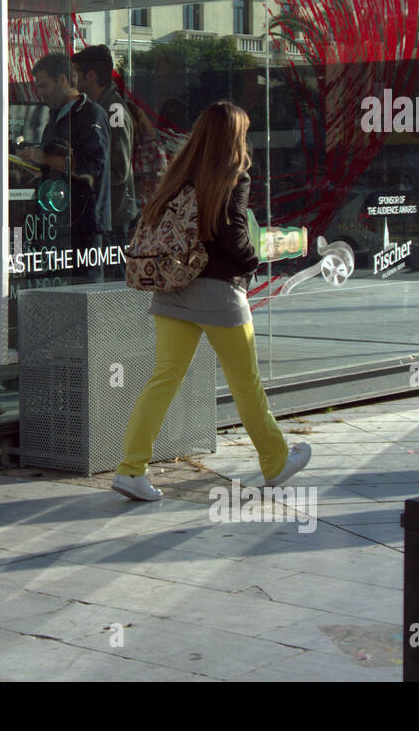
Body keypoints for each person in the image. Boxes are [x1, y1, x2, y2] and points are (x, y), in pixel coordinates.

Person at [113, 101, 312, 501]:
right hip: (218, 293)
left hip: (172, 289)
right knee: (246, 383)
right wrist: (256, 259)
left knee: (163, 380)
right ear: (233, 137)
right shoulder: (232, 177)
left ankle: (131, 469)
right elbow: (231, 236)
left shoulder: (178, 173)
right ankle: (275, 461)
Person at [24, 52, 111, 281]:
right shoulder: (56, 115)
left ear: (63, 80)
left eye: (44, 86)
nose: (40, 93)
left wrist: (45, 158)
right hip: (56, 223)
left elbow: (93, 167)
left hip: (82, 226)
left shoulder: (90, 114)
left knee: (83, 297)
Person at [72, 45, 137, 274]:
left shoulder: (114, 109)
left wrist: (83, 169)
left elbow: (118, 167)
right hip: (103, 212)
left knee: (113, 281)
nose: (73, 79)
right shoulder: (96, 107)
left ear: (90, 75)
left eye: (76, 72)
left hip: (113, 215)